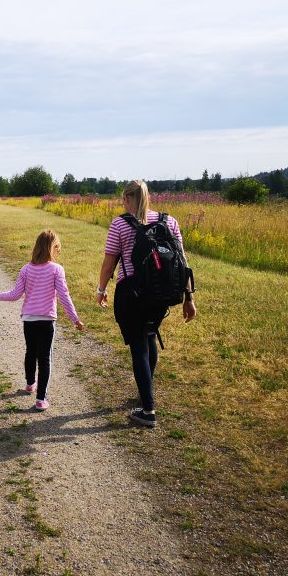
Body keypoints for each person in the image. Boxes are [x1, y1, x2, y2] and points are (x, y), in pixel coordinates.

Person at [96, 179, 195, 428]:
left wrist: (101, 289)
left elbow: (109, 264)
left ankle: (148, 410)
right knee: (149, 336)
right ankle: (146, 390)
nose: (122, 203)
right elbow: (182, 263)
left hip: (131, 294)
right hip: (161, 294)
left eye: (123, 199)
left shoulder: (120, 223)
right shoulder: (168, 221)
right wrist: (189, 298)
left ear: (129, 198)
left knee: (139, 345)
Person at [0, 230, 84, 411]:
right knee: (45, 358)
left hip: (29, 319)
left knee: (30, 352)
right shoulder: (57, 269)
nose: (59, 252)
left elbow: (15, 295)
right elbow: (64, 296)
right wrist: (75, 319)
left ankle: (30, 383)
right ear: (52, 248)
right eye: (58, 248)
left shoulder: (26, 269)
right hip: (47, 320)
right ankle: (41, 399)